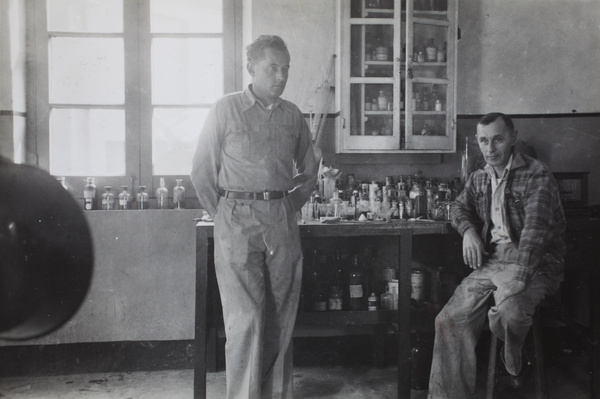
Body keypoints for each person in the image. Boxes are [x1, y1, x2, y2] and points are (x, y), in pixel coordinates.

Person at [190, 35, 319, 399]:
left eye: (286, 69)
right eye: (272, 68)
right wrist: (225, 215)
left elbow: (309, 171)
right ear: (251, 69)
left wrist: (289, 206)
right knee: (246, 320)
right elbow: (201, 171)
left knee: (281, 318)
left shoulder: (293, 114)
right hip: (236, 218)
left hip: (281, 219)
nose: (280, 76)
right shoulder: (225, 109)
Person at [427, 112, 566, 399]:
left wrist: (519, 279)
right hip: (495, 262)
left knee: (509, 312)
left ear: (513, 138)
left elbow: (535, 232)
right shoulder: (479, 177)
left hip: (536, 262)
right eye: (484, 141)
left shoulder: (536, 174)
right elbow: (456, 207)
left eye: (498, 139)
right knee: (449, 320)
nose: (490, 148)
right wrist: (468, 231)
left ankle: (513, 353)